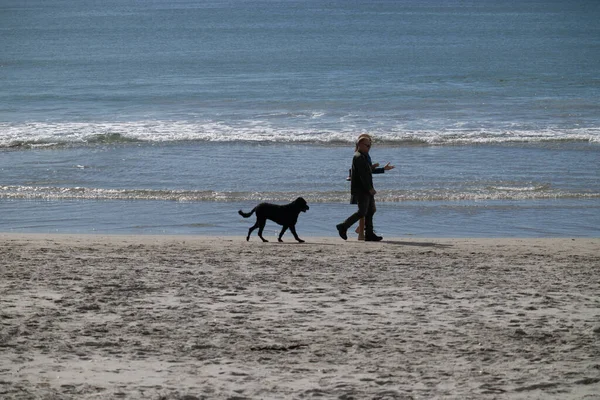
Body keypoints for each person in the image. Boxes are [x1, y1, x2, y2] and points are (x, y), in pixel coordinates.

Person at [337, 134, 394, 241]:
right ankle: (343, 226)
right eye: (367, 145)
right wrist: (369, 189)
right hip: (362, 189)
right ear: (359, 145)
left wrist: (383, 169)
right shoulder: (358, 157)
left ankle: (369, 234)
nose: (369, 147)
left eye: (370, 145)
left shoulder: (364, 156)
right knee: (362, 212)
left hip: (365, 188)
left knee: (371, 210)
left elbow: (368, 171)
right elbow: (363, 175)